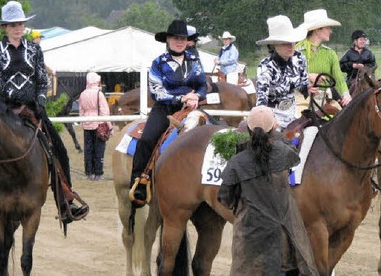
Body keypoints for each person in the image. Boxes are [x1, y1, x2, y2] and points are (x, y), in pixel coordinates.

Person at [0, 1, 88, 221]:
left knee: (60, 150)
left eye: (20, 23)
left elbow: (42, 80)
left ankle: (66, 203)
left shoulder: (34, 49)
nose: (17, 27)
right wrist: (16, 99)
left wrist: (40, 100)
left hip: (33, 110)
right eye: (12, 24)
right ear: (4, 27)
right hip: (5, 110)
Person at [218, 106, 318, 276]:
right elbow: (290, 151)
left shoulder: (237, 161)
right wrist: (275, 131)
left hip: (250, 246)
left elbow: (225, 199)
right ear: (273, 128)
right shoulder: (285, 153)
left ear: (248, 129)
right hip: (282, 245)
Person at [129, 19, 207, 206]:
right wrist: (181, 98)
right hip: (165, 109)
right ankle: (139, 181)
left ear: (187, 40)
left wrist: (197, 96)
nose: (179, 41)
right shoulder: (158, 63)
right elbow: (157, 91)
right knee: (147, 138)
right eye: (175, 38)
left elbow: (203, 84)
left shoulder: (194, 61)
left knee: (214, 132)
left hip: (192, 108)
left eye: (183, 38)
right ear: (168, 40)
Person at [255, 15, 319, 129]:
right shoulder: (265, 66)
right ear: (274, 45)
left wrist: (307, 88)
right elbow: (262, 99)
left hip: (294, 114)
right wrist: (268, 120)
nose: (291, 46)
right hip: (272, 117)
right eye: (285, 43)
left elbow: (302, 84)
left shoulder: (299, 58)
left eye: (293, 41)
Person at [296, 9, 351, 107]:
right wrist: (308, 76)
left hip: (326, 100)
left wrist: (346, 95)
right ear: (317, 30)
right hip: (301, 100)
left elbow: (339, 80)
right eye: (328, 27)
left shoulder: (330, 53)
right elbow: (287, 76)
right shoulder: (296, 52)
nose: (330, 31)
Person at [78, 72, 113, 181]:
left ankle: (89, 173)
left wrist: (82, 122)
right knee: (99, 150)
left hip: (87, 124)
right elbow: (104, 111)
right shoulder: (99, 94)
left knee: (88, 149)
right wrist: (110, 126)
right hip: (99, 123)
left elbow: (81, 110)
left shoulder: (82, 94)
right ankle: (98, 173)